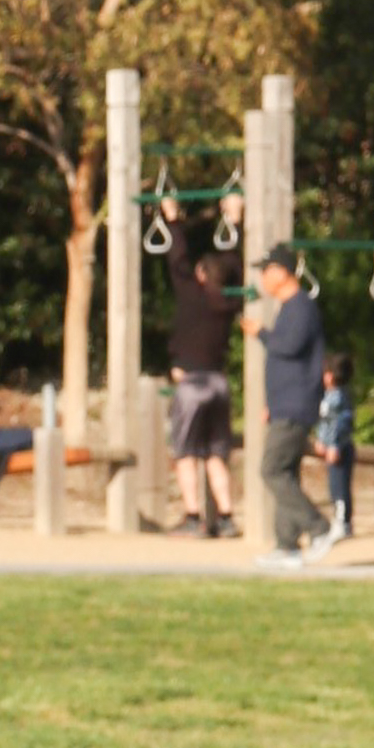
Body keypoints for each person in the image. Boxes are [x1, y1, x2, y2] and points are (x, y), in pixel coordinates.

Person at [156, 194, 241, 535]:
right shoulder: (228, 302)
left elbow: (177, 259)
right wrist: (235, 220)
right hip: (218, 382)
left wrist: (173, 218)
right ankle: (226, 516)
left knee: (186, 452)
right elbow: (234, 264)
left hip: (191, 384)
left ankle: (193, 516)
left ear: (202, 274)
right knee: (216, 454)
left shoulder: (192, 295)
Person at [243, 243, 328, 566]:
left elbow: (289, 347)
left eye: (266, 271)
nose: (263, 278)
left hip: (297, 405)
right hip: (285, 404)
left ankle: (319, 527)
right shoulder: (289, 307)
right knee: (286, 472)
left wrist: (261, 334)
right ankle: (287, 547)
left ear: (281, 272)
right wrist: (272, 403)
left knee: (272, 469)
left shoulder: (301, 307)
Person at [318, 349, 357, 546]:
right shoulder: (329, 395)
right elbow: (325, 423)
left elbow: (338, 424)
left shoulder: (338, 398)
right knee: (334, 486)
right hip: (332, 447)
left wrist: (333, 445)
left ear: (331, 376)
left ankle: (343, 522)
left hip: (340, 449)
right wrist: (321, 440)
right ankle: (341, 520)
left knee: (340, 487)